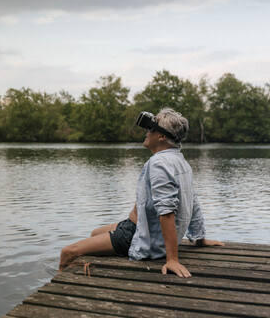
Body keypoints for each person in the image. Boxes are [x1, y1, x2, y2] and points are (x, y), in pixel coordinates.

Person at [58, 107, 224, 277]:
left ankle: (61, 286)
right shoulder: (180, 161)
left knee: (68, 252)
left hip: (138, 234)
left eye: (151, 128)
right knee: (95, 233)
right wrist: (199, 238)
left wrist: (172, 259)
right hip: (136, 225)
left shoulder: (160, 163)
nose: (146, 131)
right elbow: (193, 201)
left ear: (162, 136)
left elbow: (166, 211)